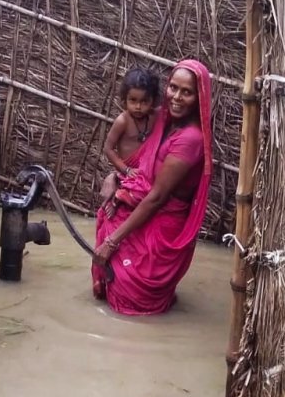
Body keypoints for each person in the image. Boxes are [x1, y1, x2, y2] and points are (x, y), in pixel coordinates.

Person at [91, 59, 212, 315]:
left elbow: (157, 196)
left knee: (131, 295)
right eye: (173, 88)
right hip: (146, 207)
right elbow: (134, 160)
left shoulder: (189, 139)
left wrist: (112, 242)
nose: (177, 97)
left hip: (162, 219)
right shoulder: (162, 120)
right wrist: (116, 175)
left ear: (198, 97)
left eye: (187, 92)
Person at [99, 67, 160, 217]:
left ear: (152, 100)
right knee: (133, 189)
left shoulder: (154, 118)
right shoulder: (122, 121)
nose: (138, 106)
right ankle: (117, 198)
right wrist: (125, 170)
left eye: (144, 101)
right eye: (133, 100)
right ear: (124, 100)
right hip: (127, 173)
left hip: (146, 173)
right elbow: (108, 149)